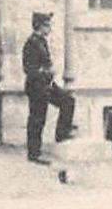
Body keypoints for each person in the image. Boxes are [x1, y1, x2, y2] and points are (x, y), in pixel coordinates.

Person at [22, 11, 76, 165]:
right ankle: (34, 154)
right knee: (37, 119)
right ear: (39, 26)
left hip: (46, 85)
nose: (49, 28)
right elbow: (29, 69)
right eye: (47, 25)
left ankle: (61, 134)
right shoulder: (31, 43)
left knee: (68, 101)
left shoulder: (42, 41)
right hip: (36, 87)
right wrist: (46, 72)